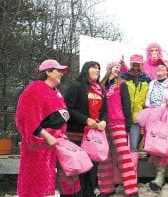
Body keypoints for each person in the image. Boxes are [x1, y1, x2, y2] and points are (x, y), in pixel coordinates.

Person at [15, 59, 69, 197]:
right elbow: (26, 120)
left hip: (52, 146)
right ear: (48, 72)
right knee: (34, 184)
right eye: (58, 70)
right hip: (38, 147)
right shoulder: (34, 90)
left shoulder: (55, 92)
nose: (61, 73)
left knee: (47, 185)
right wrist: (46, 135)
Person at [137, 59, 168, 191]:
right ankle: (160, 176)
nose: (159, 68)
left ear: (167, 70)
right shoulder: (152, 83)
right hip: (152, 116)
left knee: (161, 144)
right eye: (157, 67)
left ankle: (159, 176)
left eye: (162, 67)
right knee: (154, 145)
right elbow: (148, 100)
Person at [64, 61, 108, 197]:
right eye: (94, 67)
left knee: (92, 169)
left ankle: (89, 193)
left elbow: (105, 110)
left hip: (94, 136)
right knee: (79, 169)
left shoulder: (101, 89)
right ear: (86, 70)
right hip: (76, 134)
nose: (97, 70)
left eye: (98, 68)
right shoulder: (76, 87)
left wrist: (104, 121)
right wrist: (85, 120)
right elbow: (67, 109)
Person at [99, 62, 138, 197]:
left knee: (124, 155)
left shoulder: (122, 85)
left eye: (119, 68)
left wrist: (127, 125)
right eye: (116, 67)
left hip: (118, 123)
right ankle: (106, 189)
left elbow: (127, 105)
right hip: (102, 125)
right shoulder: (100, 86)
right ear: (109, 68)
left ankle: (132, 189)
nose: (118, 70)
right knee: (105, 157)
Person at [120, 54, 151, 152]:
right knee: (121, 145)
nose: (136, 67)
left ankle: (132, 166)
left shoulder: (147, 79)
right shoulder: (123, 77)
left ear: (142, 65)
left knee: (133, 146)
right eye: (134, 64)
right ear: (131, 64)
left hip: (137, 117)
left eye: (138, 64)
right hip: (123, 115)